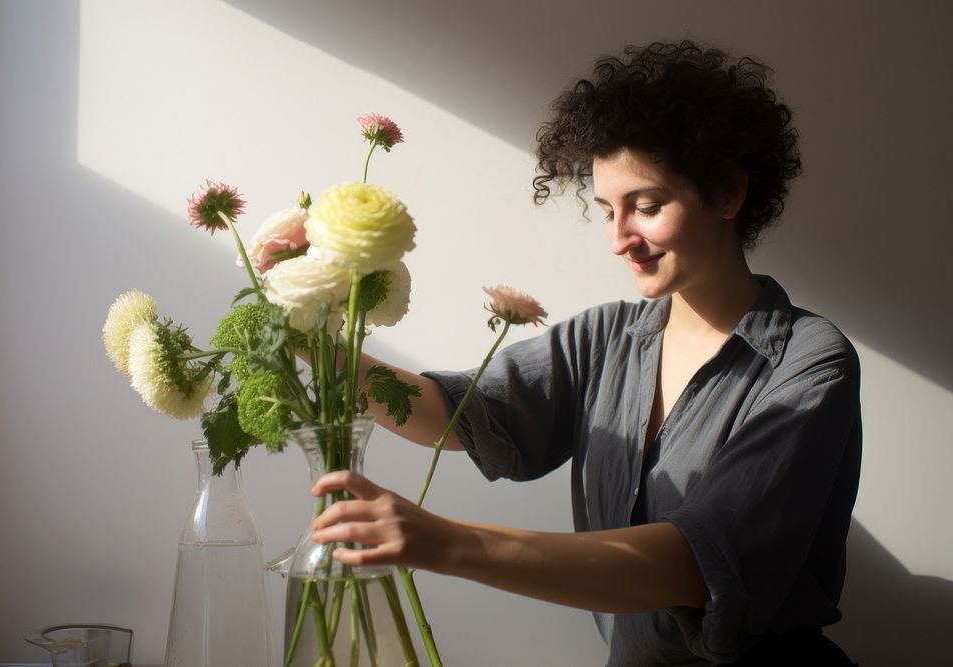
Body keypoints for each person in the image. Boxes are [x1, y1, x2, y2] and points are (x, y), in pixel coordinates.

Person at [309, 41, 861, 666]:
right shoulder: (603, 339)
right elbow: (453, 413)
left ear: (729, 192)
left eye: (647, 207)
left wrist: (444, 543)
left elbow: (693, 564)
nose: (620, 239)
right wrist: (311, 336)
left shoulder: (810, 363)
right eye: (606, 212)